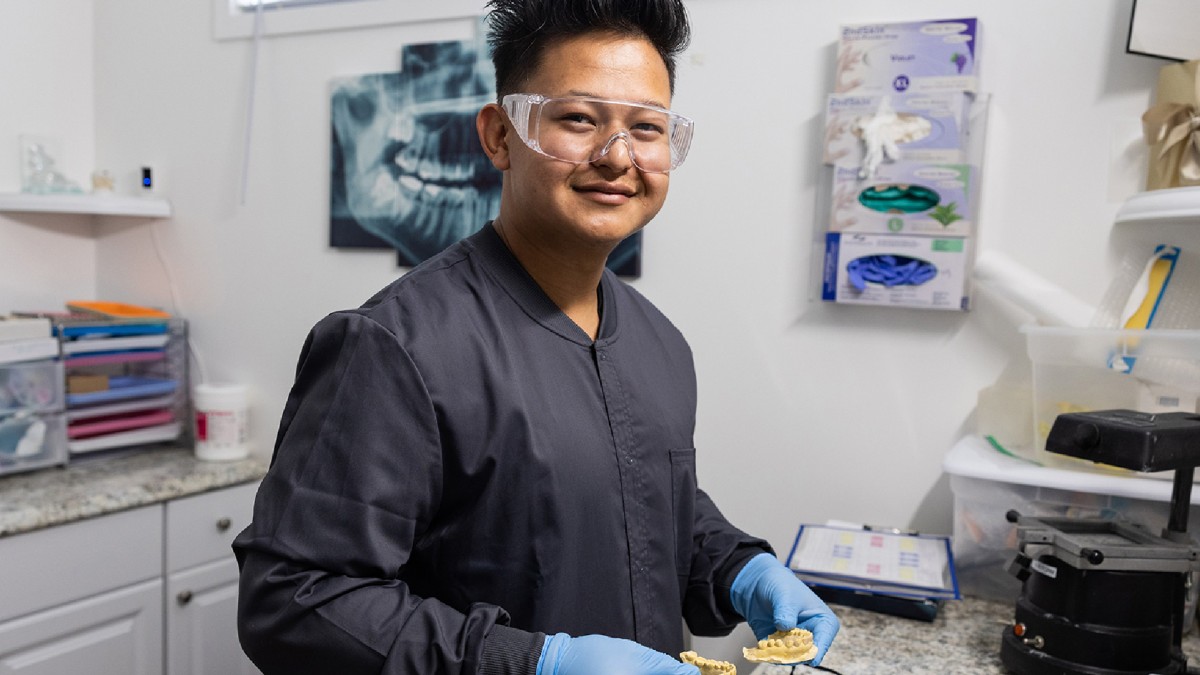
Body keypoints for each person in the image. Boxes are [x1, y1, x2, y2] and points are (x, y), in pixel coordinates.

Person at [232, 1, 840, 673]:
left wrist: (739, 567)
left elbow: (641, 502)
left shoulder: (659, 343)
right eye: (579, 119)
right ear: (498, 136)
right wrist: (534, 663)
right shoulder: (393, 346)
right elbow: (293, 600)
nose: (618, 156)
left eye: (647, 127)